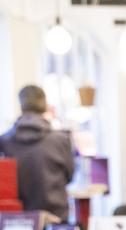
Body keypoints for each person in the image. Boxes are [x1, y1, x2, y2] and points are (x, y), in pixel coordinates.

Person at [0, 85, 74, 220]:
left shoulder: (4, 142)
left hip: (17, 223)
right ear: (44, 105)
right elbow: (70, 176)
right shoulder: (61, 140)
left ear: (21, 106)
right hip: (56, 220)